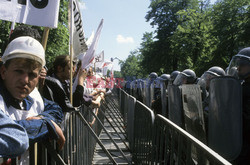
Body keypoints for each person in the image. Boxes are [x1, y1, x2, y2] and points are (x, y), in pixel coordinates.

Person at [0, 36, 65, 164]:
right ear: (3, 71)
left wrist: (43, 119)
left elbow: (55, 109)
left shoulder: (33, 96)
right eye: (18, 71)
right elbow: (13, 137)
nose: (25, 80)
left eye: (32, 75)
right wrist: (47, 125)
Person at [227, 47, 250, 165]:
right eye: (238, 64)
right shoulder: (242, 87)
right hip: (238, 145)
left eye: (242, 64)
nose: (238, 68)